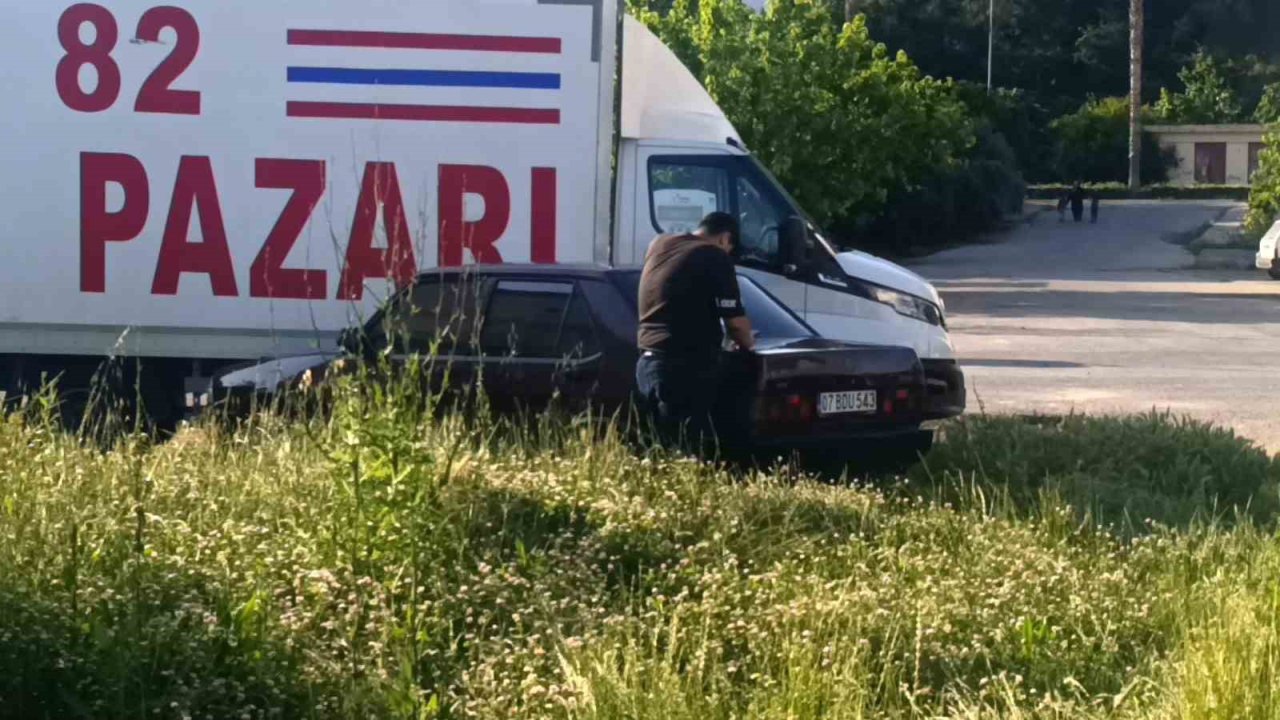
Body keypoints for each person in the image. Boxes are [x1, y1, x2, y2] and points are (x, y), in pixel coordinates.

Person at [636, 212, 755, 452]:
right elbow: (735, 323)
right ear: (725, 239)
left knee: (653, 450)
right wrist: (748, 344)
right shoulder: (714, 256)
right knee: (685, 449)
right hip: (685, 366)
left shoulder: (660, 244)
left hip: (647, 361)